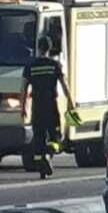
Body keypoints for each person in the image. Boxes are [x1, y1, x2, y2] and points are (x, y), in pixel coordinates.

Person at [21, 35, 76, 180]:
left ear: (38, 48)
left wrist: (23, 107)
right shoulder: (55, 65)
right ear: (49, 48)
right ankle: (49, 153)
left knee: (38, 137)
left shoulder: (30, 66)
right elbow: (64, 85)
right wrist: (71, 103)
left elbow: (23, 89)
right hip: (51, 106)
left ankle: (41, 162)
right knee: (56, 138)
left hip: (37, 107)